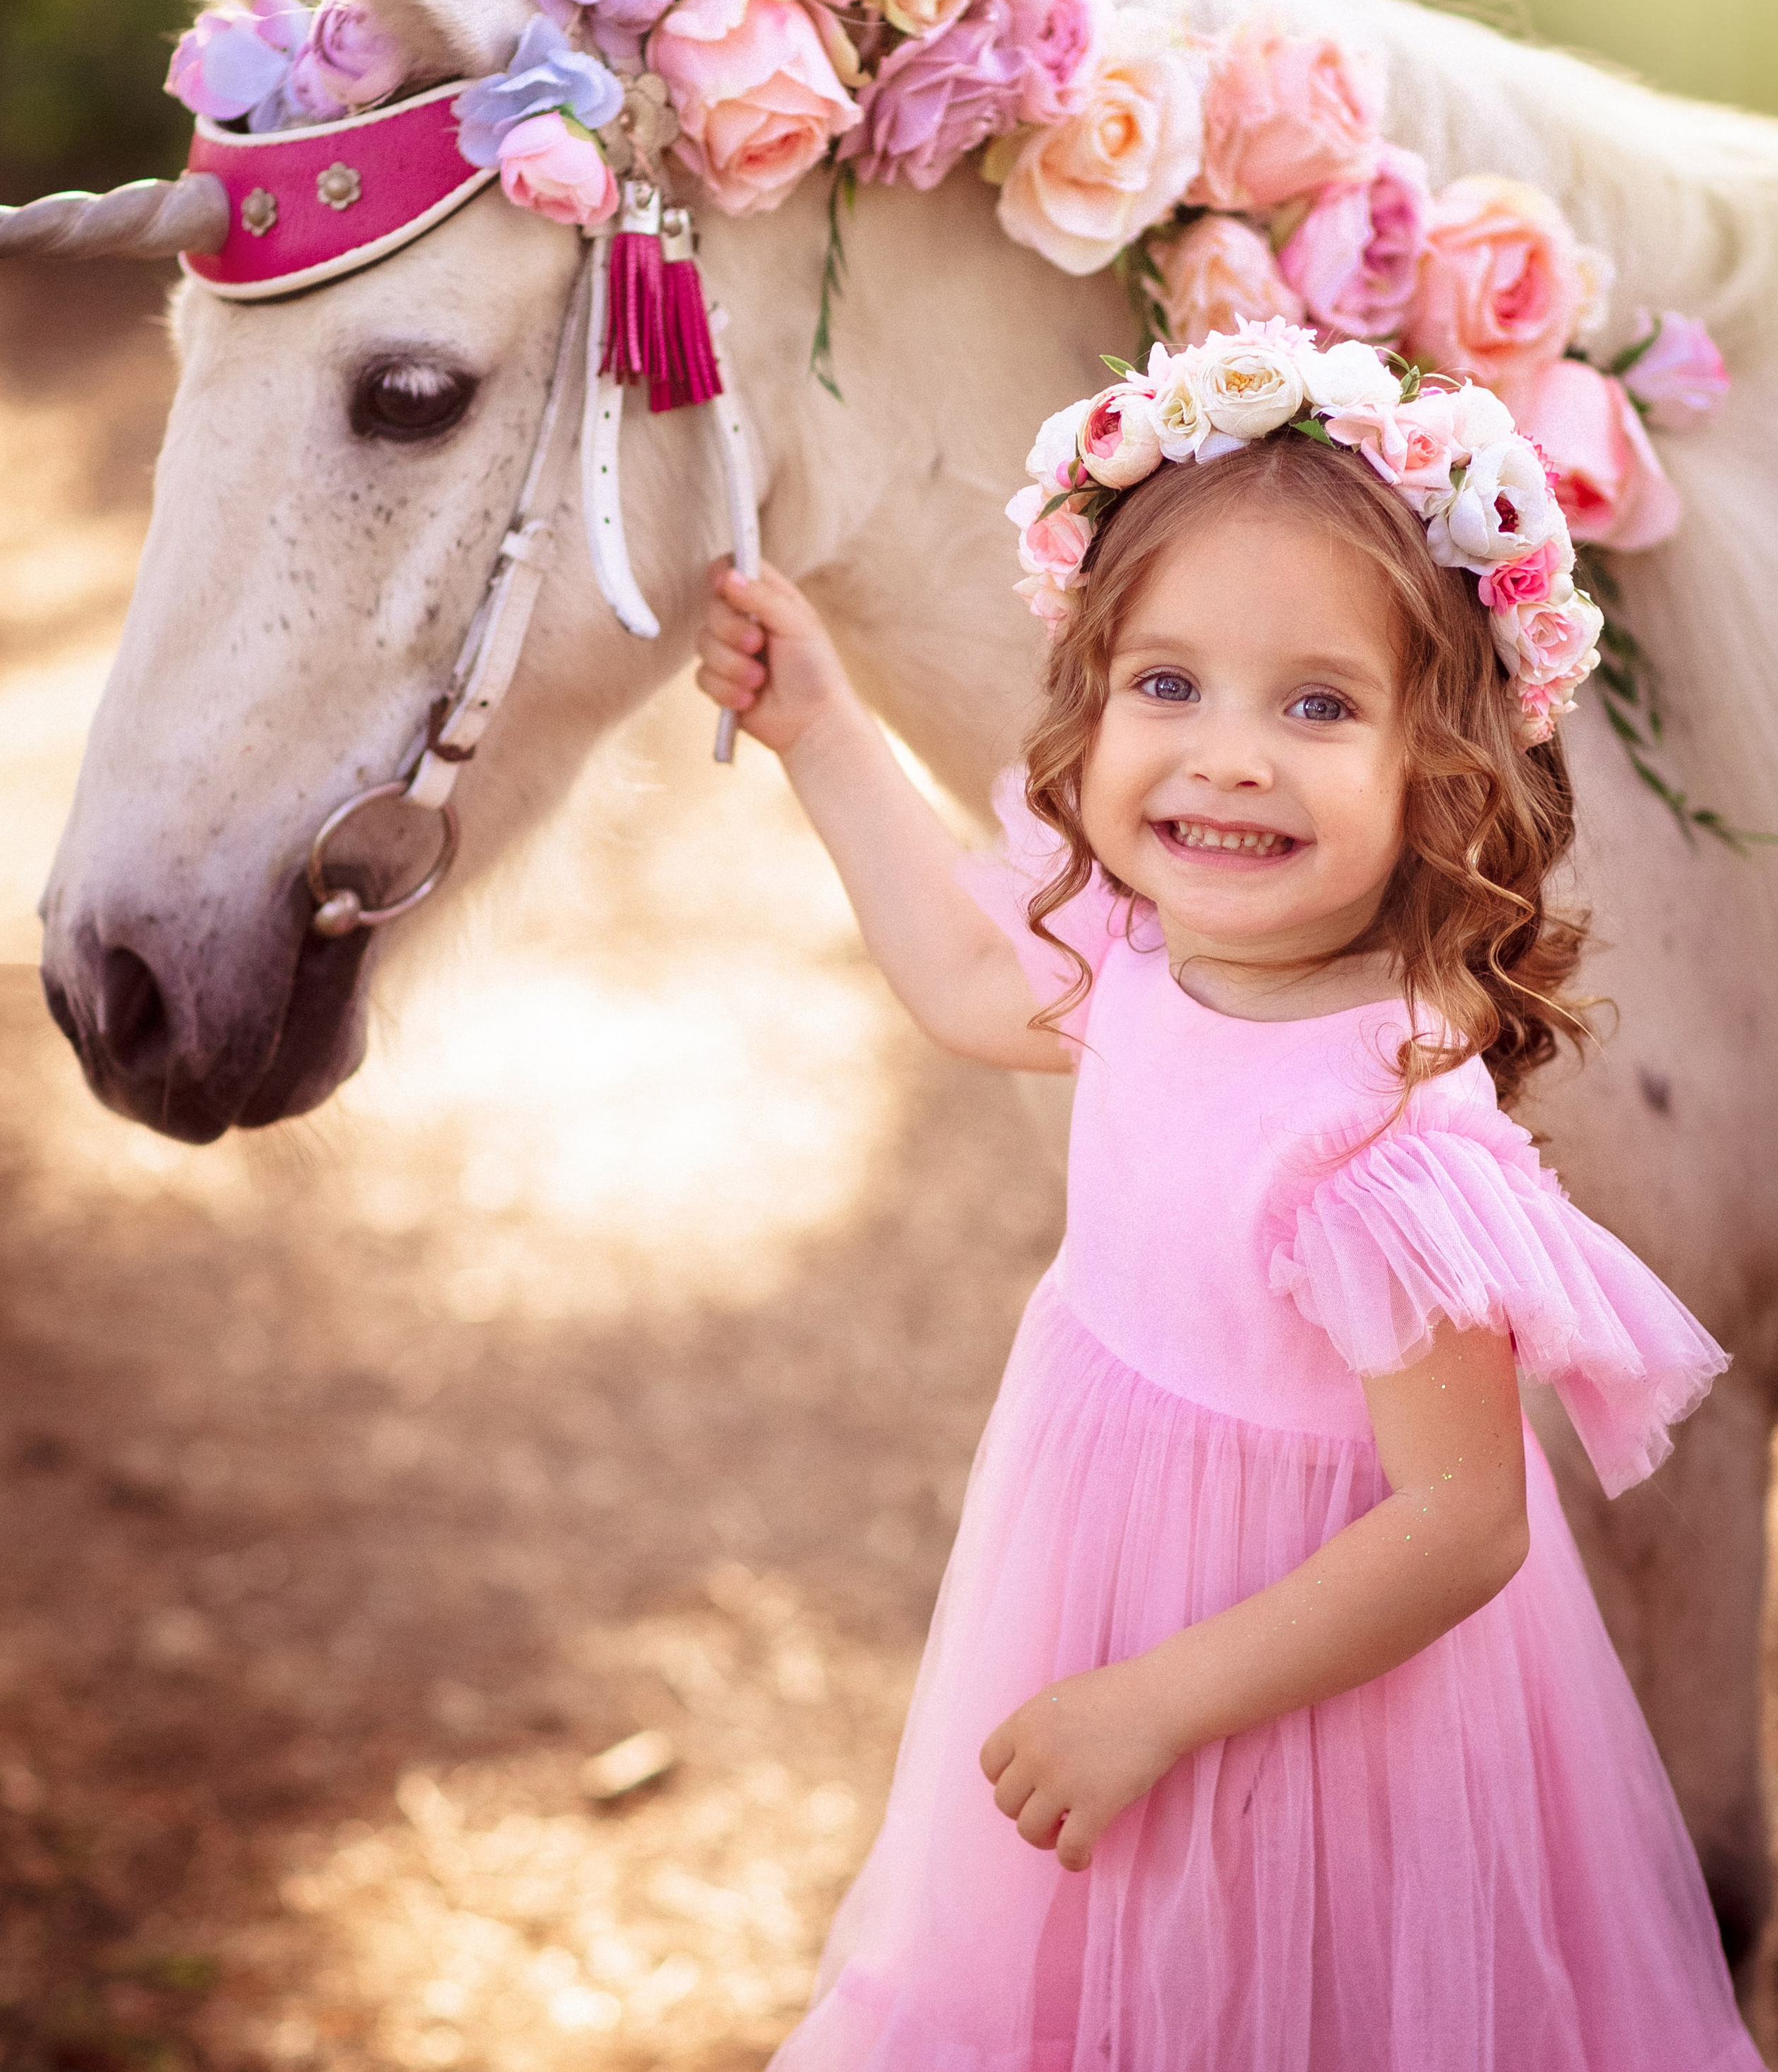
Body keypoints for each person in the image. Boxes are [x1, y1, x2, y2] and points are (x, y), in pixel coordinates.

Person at [693, 327, 1758, 2072]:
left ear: (1446, 765)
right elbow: (966, 984)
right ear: (1091, 698)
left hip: (1307, 1691)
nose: (1225, 755)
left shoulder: (1379, 1136)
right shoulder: (1135, 949)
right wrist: (817, 727)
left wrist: (1154, 1707)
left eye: (1317, 702)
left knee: (1293, 1997)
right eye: (1165, 684)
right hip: (1104, 1573)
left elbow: (1459, 1522)